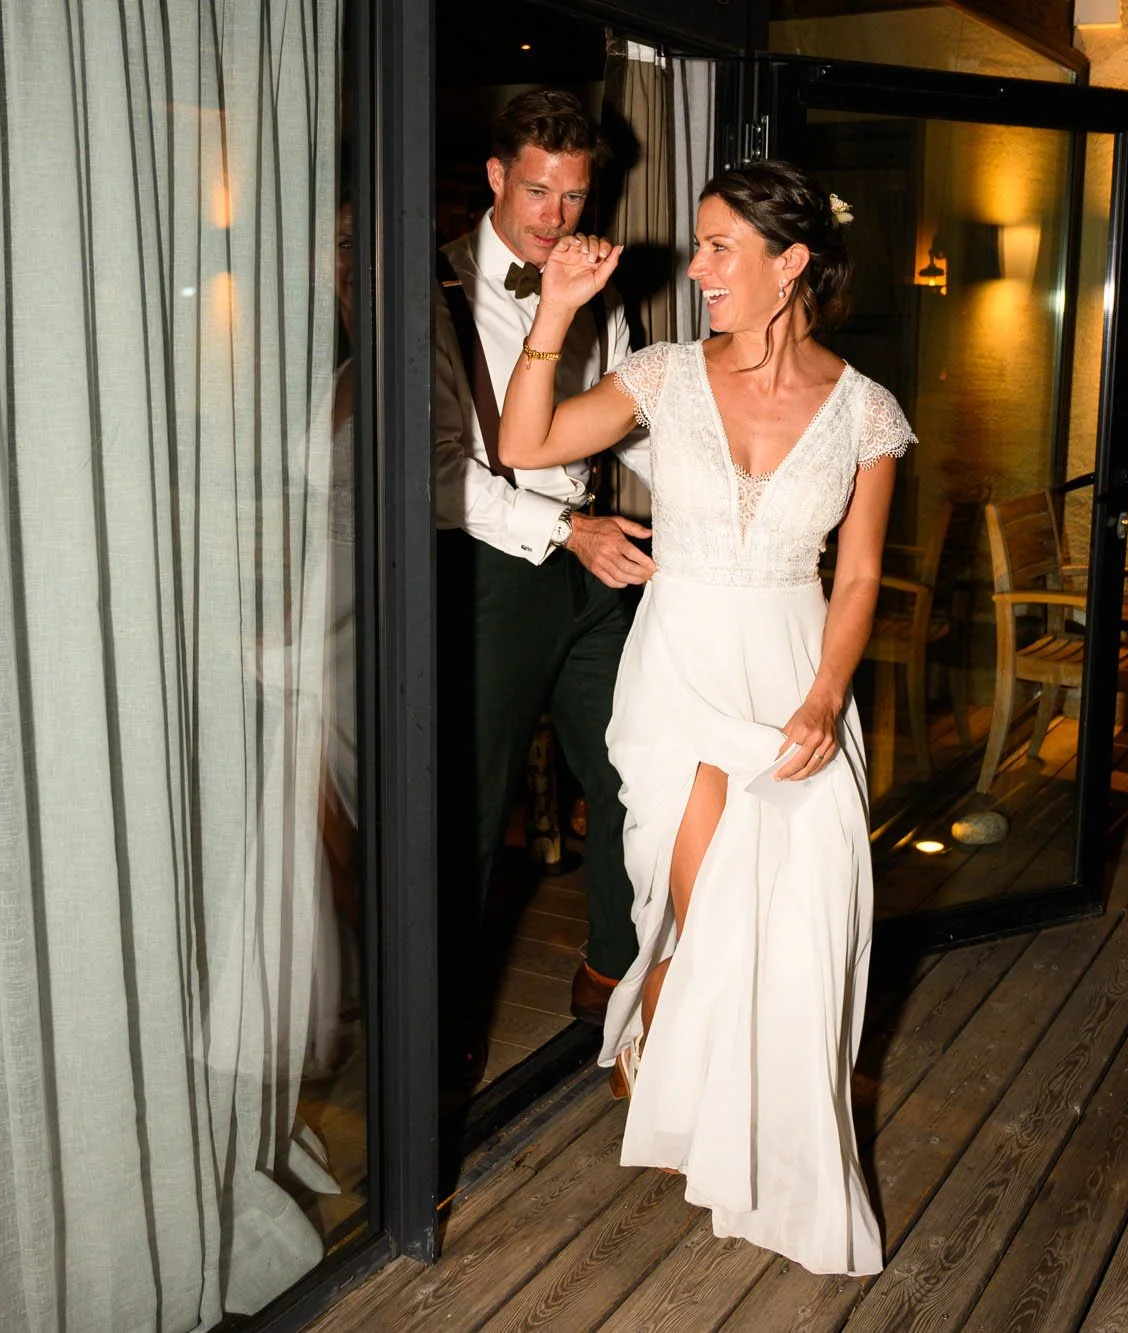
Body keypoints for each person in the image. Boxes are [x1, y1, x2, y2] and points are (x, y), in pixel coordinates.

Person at [495, 159, 908, 1276]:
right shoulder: (662, 375)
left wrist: (825, 693)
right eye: (698, 243)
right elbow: (524, 446)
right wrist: (559, 315)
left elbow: (859, 577)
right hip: (678, 673)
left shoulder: (865, 411)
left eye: (721, 247)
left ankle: (747, 1133)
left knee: (796, 928)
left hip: (791, 674)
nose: (698, 268)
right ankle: (667, 1046)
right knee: (703, 904)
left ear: (791, 265)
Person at [434, 89, 651, 1083]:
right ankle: (439, 1022)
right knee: (469, 810)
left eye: (572, 195)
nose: (553, 217)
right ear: (493, 176)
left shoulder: (599, 279)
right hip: (490, 568)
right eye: (534, 190)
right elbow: (434, 471)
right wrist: (563, 529)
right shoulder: (430, 289)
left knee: (629, 770)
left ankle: (614, 963)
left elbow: (620, 419)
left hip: (590, 558)